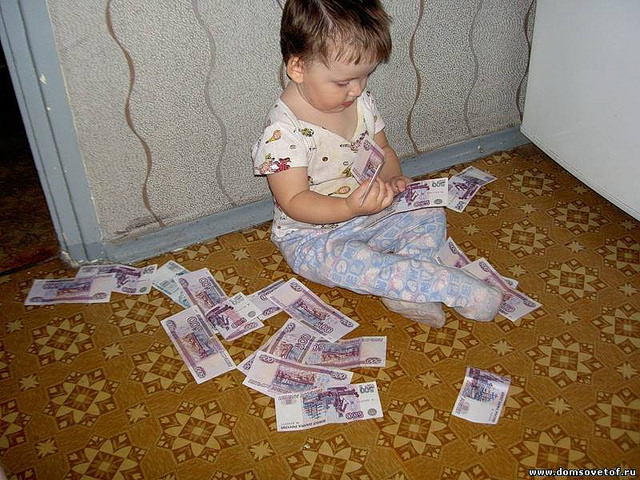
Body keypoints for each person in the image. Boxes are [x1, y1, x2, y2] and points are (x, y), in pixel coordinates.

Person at [252, 0, 502, 327]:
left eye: (365, 76)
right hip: (312, 238)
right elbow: (295, 201)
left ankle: (405, 292)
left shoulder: (360, 101)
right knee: (363, 264)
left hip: (370, 212)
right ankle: (457, 289)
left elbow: (381, 148)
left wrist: (393, 178)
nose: (357, 90)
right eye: (343, 82)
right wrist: (348, 208)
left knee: (429, 211)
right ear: (298, 67)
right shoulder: (282, 134)